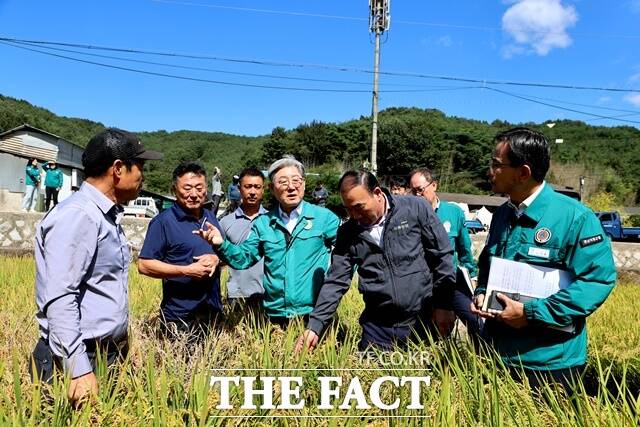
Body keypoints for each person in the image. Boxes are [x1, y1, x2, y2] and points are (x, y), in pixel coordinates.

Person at [470, 127, 616, 391]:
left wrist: (531, 314)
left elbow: (597, 281)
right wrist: (482, 292)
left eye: (496, 164)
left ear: (523, 173)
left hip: (550, 363)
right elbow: (487, 267)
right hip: (497, 355)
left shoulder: (576, 218)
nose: (490, 170)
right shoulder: (502, 214)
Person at [31, 128, 162, 406]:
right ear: (118, 169)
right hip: (77, 359)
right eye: (140, 166)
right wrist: (78, 368)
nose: (142, 175)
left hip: (103, 353)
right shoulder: (79, 216)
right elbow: (60, 296)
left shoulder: (105, 216)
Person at [295, 170, 456, 352]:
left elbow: (442, 255)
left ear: (378, 194)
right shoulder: (348, 232)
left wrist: (444, 305)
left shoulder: (415, 208)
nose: (354, 215)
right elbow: (336, 281)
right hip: (378, 327)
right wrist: (315, 326)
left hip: (422, 319)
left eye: (359, 207)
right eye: (348, 209)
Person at [197, 157, 340, 328]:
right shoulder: (264, 223)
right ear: (272, 188)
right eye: (283, 182)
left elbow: (348, 254)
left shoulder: (324, 218)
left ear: (303, 184)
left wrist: (332, 288)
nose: (291, 187)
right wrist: (220, 244)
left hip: (314, 314)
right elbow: (244, 258)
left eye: (296, 180)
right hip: (275, 316)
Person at [138, 162, 223, 342]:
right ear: (174, 189)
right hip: (180, 317)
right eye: (187, 188)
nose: (194, 194)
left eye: (199, 188)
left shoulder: (210, 216)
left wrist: (216, 259)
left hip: (212, 311)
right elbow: (144, 265)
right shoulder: (163, 222)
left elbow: (225, 253)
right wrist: (187, 270)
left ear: (206, 188)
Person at [409, 168, 482, 340]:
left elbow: (464, 249)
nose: (417, 195)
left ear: (434, 185)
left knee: (476, 319)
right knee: (426, 332)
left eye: (420, 190)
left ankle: (479, 357)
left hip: (451, 280)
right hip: (422, 284)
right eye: (413, 191)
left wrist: (471, 275)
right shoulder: (409, 214)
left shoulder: (453, 212)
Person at [218, 167, 267, 312]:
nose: (252, 192)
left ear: (263, 190)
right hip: (236, 294)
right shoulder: (225, 222)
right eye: (248, 187)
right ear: (239, 189)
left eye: (257, 187)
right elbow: (217, 259)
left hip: (267, 294)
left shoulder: (273, 221)